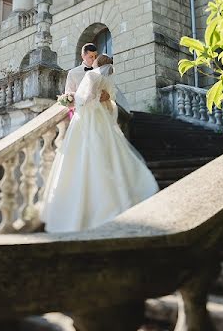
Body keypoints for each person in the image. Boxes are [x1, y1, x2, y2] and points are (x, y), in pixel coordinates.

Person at [40, 54, 159, 232]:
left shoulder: (92, 75)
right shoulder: (109, 80)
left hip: (87, 120)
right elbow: (111, 104)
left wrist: (71, 99)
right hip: (102, 120)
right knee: (107, 152)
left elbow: (83, 100)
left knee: (82, 155)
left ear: (97, 63)